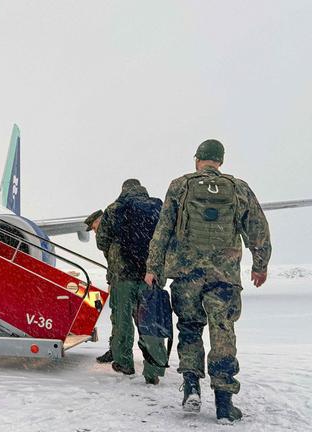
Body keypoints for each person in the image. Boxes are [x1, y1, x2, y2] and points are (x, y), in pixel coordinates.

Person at [145, 139, 271, 424]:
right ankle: (224, 403)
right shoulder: (238, 188)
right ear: (220, 162)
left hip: (187, 275)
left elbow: (162, 230)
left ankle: (191, 387)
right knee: (222, 331)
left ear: (197, 159)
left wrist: (153, 268)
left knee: (190, 328)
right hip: (224, 277)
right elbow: (259, 230)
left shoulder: (180, 186)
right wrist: (260, 265)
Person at [96, 179, 168, 385]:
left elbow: (102, 241)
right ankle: (153, 370)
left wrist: (119, 253)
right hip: (150, 276)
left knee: (122, 321)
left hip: (123, 275)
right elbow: (168, 238)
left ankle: (124, 363)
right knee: (151, 322)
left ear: (123, 190)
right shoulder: (157, 206)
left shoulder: (114, 209)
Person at [84, 209, 114, 364]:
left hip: (122, 280)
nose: (95, 233)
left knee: (119, 318)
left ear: (97, 222)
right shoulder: (116, 229)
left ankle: (118, 353)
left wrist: (111, 281)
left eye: (94, 228)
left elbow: (114, 262)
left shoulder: (107, 233)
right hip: (129, 279)